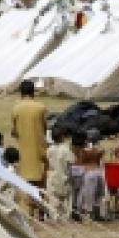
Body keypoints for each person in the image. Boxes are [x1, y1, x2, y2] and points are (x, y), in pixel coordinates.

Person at [12, 80, 48, 217]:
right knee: (40, 181)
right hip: (39, 149)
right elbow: (45, 128)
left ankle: (29, 212)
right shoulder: (41, 107)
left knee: (27, 181)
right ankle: (41, 212)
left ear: (21, 92)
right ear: (33, 92)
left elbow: (14, 131)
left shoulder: (16, 108)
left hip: (24, 150)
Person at [46, 126, 75, 221]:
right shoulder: (65, 149)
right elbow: (72, 161)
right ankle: (65, 217)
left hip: (53, 176)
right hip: (64, 176)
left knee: (53, 198)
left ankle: (54, 216)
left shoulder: (50, 149)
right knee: (66, 199)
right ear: (62, 136)